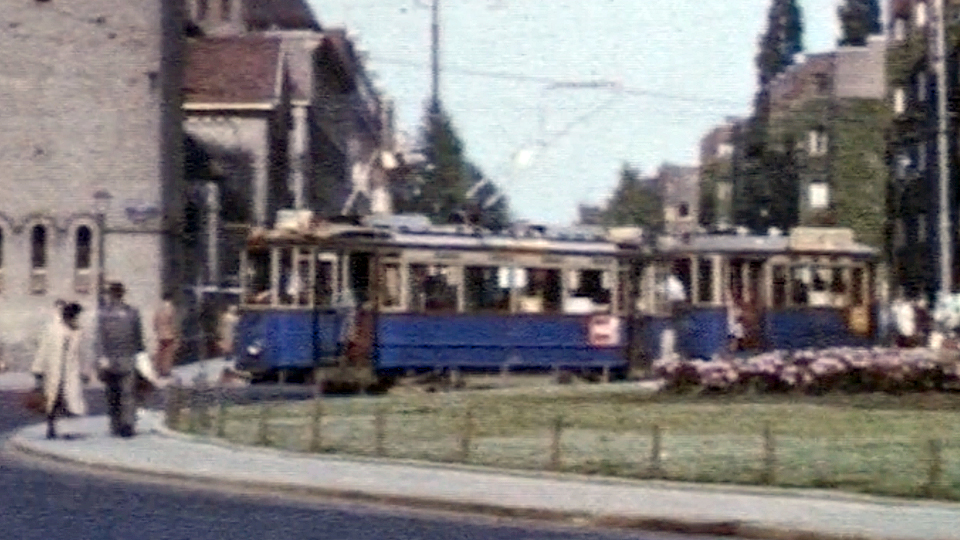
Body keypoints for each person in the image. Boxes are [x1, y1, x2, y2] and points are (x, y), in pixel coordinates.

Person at [31, 303, 90, 440]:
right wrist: (38, 370)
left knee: (70, 402)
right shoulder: (52, 329)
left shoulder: (78, 331)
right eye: (74, 317)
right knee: (53, 401)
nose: (75, 319)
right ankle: (51, 427)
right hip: (53, 371)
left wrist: (84, 371)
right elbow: (43, 349)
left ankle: (67, 431)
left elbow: (81, 354)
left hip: (70, 372)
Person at [96, 282, 146, 438]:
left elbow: (99, 339)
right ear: (123, 294)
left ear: (111, 295)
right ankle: (128, 424)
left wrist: (100, 359)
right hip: (128, 358)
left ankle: (115, 424)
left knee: (112, 393)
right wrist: (140, 356)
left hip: (109, 359)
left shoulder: (103, 314)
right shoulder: (132, 313)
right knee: (127, 393)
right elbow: (139, 338)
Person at [152, 292, 179, 377]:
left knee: (161, 352)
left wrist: (158, 331)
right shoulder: (171, 308)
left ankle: (158, 369)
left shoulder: (159, 309)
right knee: (168, 353)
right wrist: (176, 334)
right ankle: (166, 370)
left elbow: (155, 322)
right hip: (169, 334)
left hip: (160, 334)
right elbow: (173, 322)